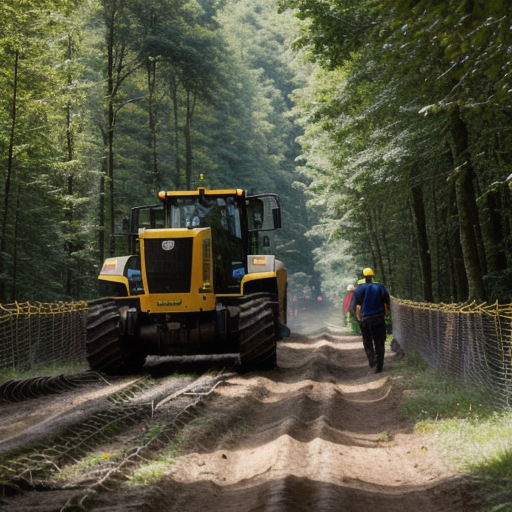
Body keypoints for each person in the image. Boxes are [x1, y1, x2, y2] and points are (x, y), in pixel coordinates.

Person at [353, 267, 390, 373]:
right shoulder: (380, 287)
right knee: (379, 341)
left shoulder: (359, 289)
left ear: (363, 277)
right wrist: (385, 312)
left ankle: (372, 359)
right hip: (378, 317)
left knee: (367, 340)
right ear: (372, 276)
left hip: (366, 319)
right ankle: (380, 366)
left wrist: (359, 318)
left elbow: (358, 306)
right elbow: (386, 301)